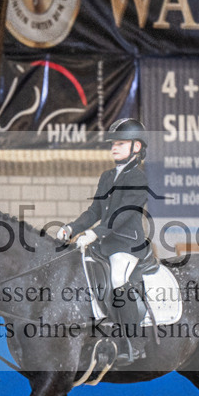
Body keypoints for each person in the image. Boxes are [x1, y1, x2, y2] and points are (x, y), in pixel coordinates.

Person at [56, 118, 151, 364]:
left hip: (127, 244)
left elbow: (123, 213)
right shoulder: (107, 176)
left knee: (118, 279)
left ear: (136, 147)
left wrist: (96, 233)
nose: (114, 148)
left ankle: (134, 342)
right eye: (113, 144)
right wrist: (72, 228)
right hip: (104, 244)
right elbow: (94, 211)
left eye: (120, 143)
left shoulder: (138, 178)